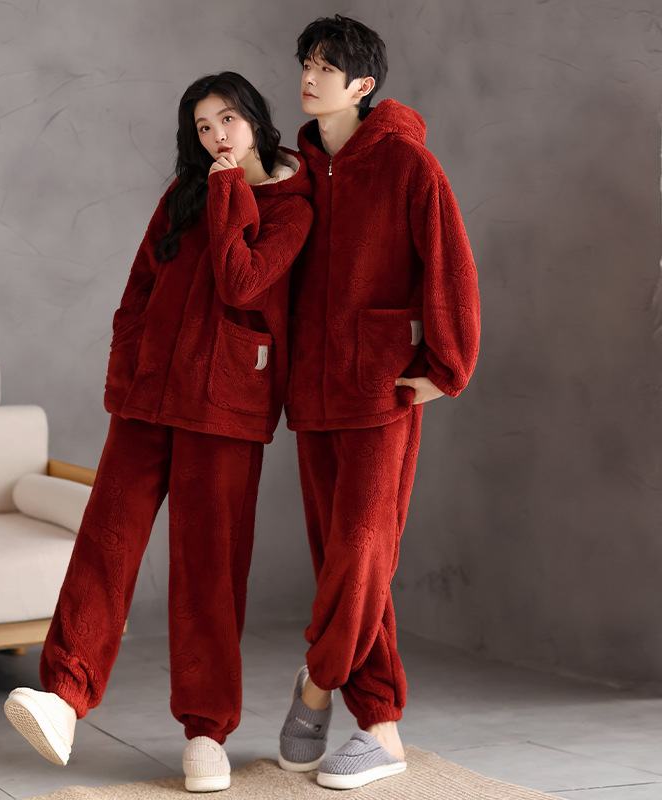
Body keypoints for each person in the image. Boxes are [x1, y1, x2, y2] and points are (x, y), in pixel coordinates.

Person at [3, 71, 313, 794]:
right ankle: (64, 698)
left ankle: (207, 732)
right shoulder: (183, 195)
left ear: (256, 119)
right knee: (105, 543)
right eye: (202, 128)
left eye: (227, 119)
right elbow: (138, 291)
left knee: (209, 570)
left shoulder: (293, 208)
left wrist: (229, 188)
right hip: (148, 398)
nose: (216, 137)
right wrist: (127, 375)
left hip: (227, 405)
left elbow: (241, 282)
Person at [277, 15, 480, 790]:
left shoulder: (408, 165)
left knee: (365, 549)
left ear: (362, 85)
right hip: (310, 390)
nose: (309, 76)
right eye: (306, 62)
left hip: (381, 389)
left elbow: (450, 263)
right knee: (343, 564)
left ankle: (318, 683)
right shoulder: (295, 169)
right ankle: (382, 727)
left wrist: (448, 366)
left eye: (326, 67)